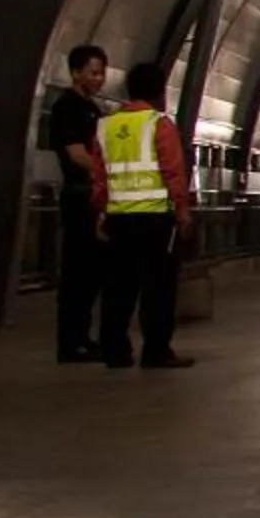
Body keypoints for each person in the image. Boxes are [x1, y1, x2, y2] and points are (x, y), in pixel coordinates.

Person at [92, 60, 194, 370]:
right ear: (160, 91)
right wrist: (183, 212)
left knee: (118, 286)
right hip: (155, 219)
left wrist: (101, 213)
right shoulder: (159, 124)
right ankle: (156, 350)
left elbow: (99, 177)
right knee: (158, 287)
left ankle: (114, 350)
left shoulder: (105, 127)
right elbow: (173, 172)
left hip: (119, 218)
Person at [43, 43, 109, 363]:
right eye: (93, 72)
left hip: (93, 196)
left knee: (91, 272)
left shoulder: (93, 110)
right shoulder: (67, 107)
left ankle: (83, 337)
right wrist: (108, 169)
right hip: (78, 195)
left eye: (102, 73)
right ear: (75, 72)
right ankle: (70, 343)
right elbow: (76, 154)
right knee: (76, 272)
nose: (99, 79)